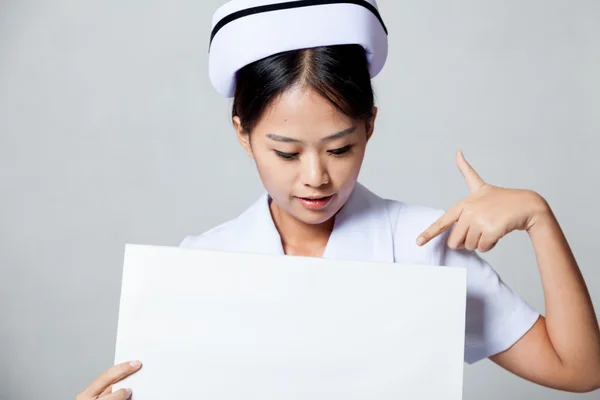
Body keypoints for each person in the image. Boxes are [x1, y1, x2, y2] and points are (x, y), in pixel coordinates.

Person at [76, 1, 600, 399]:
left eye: (340, 147)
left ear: (370, 125)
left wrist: (538, 216)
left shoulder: (427, 248)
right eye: (285, 153)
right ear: (242, 132)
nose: (316, 178)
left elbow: (579, 369)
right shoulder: (200, 263)